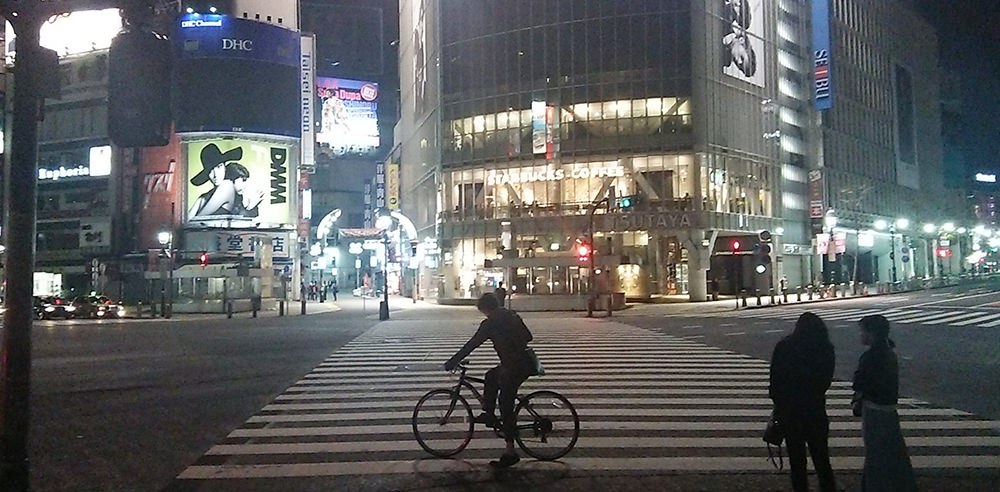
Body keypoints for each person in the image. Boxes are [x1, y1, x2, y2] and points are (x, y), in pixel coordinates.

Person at [444, 293, 534, 468]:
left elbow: (472, 344)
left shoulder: (491, 323)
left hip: (514, 367)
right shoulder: (511, 315)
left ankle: (510, 452)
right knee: (490, 376)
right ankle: (489, 413)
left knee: (506, 405)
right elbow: (528, 337)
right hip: (523, 362)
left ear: (485, 309)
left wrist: (453, 361)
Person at [769, 312, 837, 492]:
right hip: (815, 410)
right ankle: (828, 488)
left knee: (797, 461)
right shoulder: (825, 348)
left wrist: (780, 403)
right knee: (822, 458)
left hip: (791, 413)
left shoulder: (784, 346)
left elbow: (775, 382)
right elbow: (825, 381)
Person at [853, 315, 918, 492]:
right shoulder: (889, 352)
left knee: (875, 452)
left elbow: (859, 383)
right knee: (891, 451)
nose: (860, 335)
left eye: (863, 331)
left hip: (875, 410)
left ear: (871, 333)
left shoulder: (871, 356)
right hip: (888, 409)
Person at [188, 144, 241, 220]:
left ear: (224, 167)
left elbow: (197, 220)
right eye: (210, 171)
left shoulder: (226, 185)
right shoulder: (203, 197)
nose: (215, 175)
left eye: (219, 167)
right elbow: (188, 222)